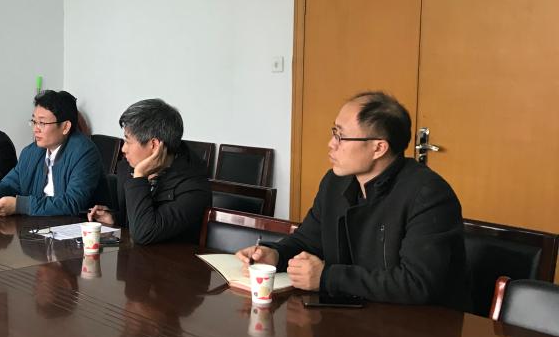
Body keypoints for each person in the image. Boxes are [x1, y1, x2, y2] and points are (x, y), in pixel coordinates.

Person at [236, 91, 467, 309]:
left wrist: (327, 277)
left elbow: (417, 283)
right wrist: (274, 254)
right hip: (353, 316)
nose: (331, 143)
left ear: (378, 148)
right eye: (333, 132)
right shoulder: (335, 182)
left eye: (341, 136)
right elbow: (308, 240)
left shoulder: (428, 194)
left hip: (419, 327)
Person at [86, 98, 210, 244]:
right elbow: (139, 221)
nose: (123, 149)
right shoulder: (128, 168)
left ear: (154, 145)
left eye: (128, 141)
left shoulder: (193, 188)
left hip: (171, 258)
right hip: (136, 255)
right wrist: (114, 219)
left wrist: (139, 176)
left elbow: (144, 233)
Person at [0, 90, 105, 217]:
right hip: (37, 226)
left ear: (65, 127)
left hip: (75, 226)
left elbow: (72, 203)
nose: (35, 129)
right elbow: (11, 183)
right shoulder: (30, 152)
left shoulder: (84, 153)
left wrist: (20, 205)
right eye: (34, 122)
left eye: (42, 123)